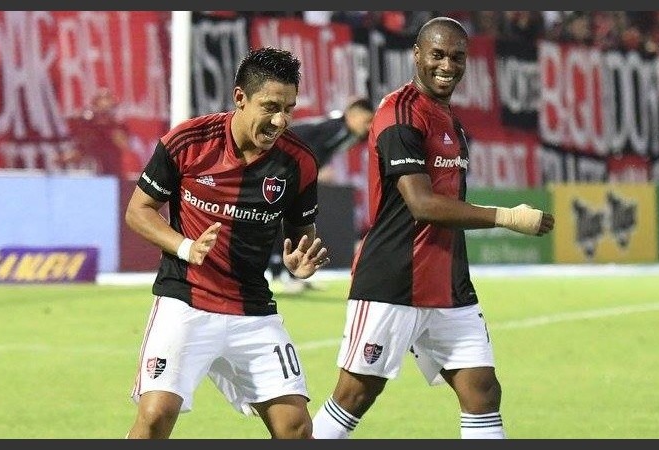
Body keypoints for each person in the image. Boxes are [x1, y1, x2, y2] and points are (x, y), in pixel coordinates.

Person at [310, 17, 554, 439]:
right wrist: (509, 217)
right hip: (393, 281)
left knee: (482, 391)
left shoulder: (451, 122)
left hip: (448, 285)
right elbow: (422, 204)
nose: (447, 65)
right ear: (417, 55)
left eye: (457, 57)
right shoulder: (399, 113)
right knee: (355, 395)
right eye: (437, 55)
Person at [124, 47, 331, 439]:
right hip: (185, 301)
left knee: (296, 427)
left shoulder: (299, 161)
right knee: (155, 416)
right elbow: (139, 211)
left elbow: (301, 232)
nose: (280, 120)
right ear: (240, 97)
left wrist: (299, 260)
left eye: (289, 108)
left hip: (252, 308)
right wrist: (185, 247)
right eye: (270, 107)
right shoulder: (188, 141)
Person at [268, 97, 375, 293]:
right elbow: (308, 147)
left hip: (290, 170)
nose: (368, 126)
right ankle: (280, 275)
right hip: (279, 165)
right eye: (366, 120)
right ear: (353, 115)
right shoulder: (336, 128)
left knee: (294, 222)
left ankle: (293, 275)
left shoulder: (349, 133)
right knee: (283, 221)